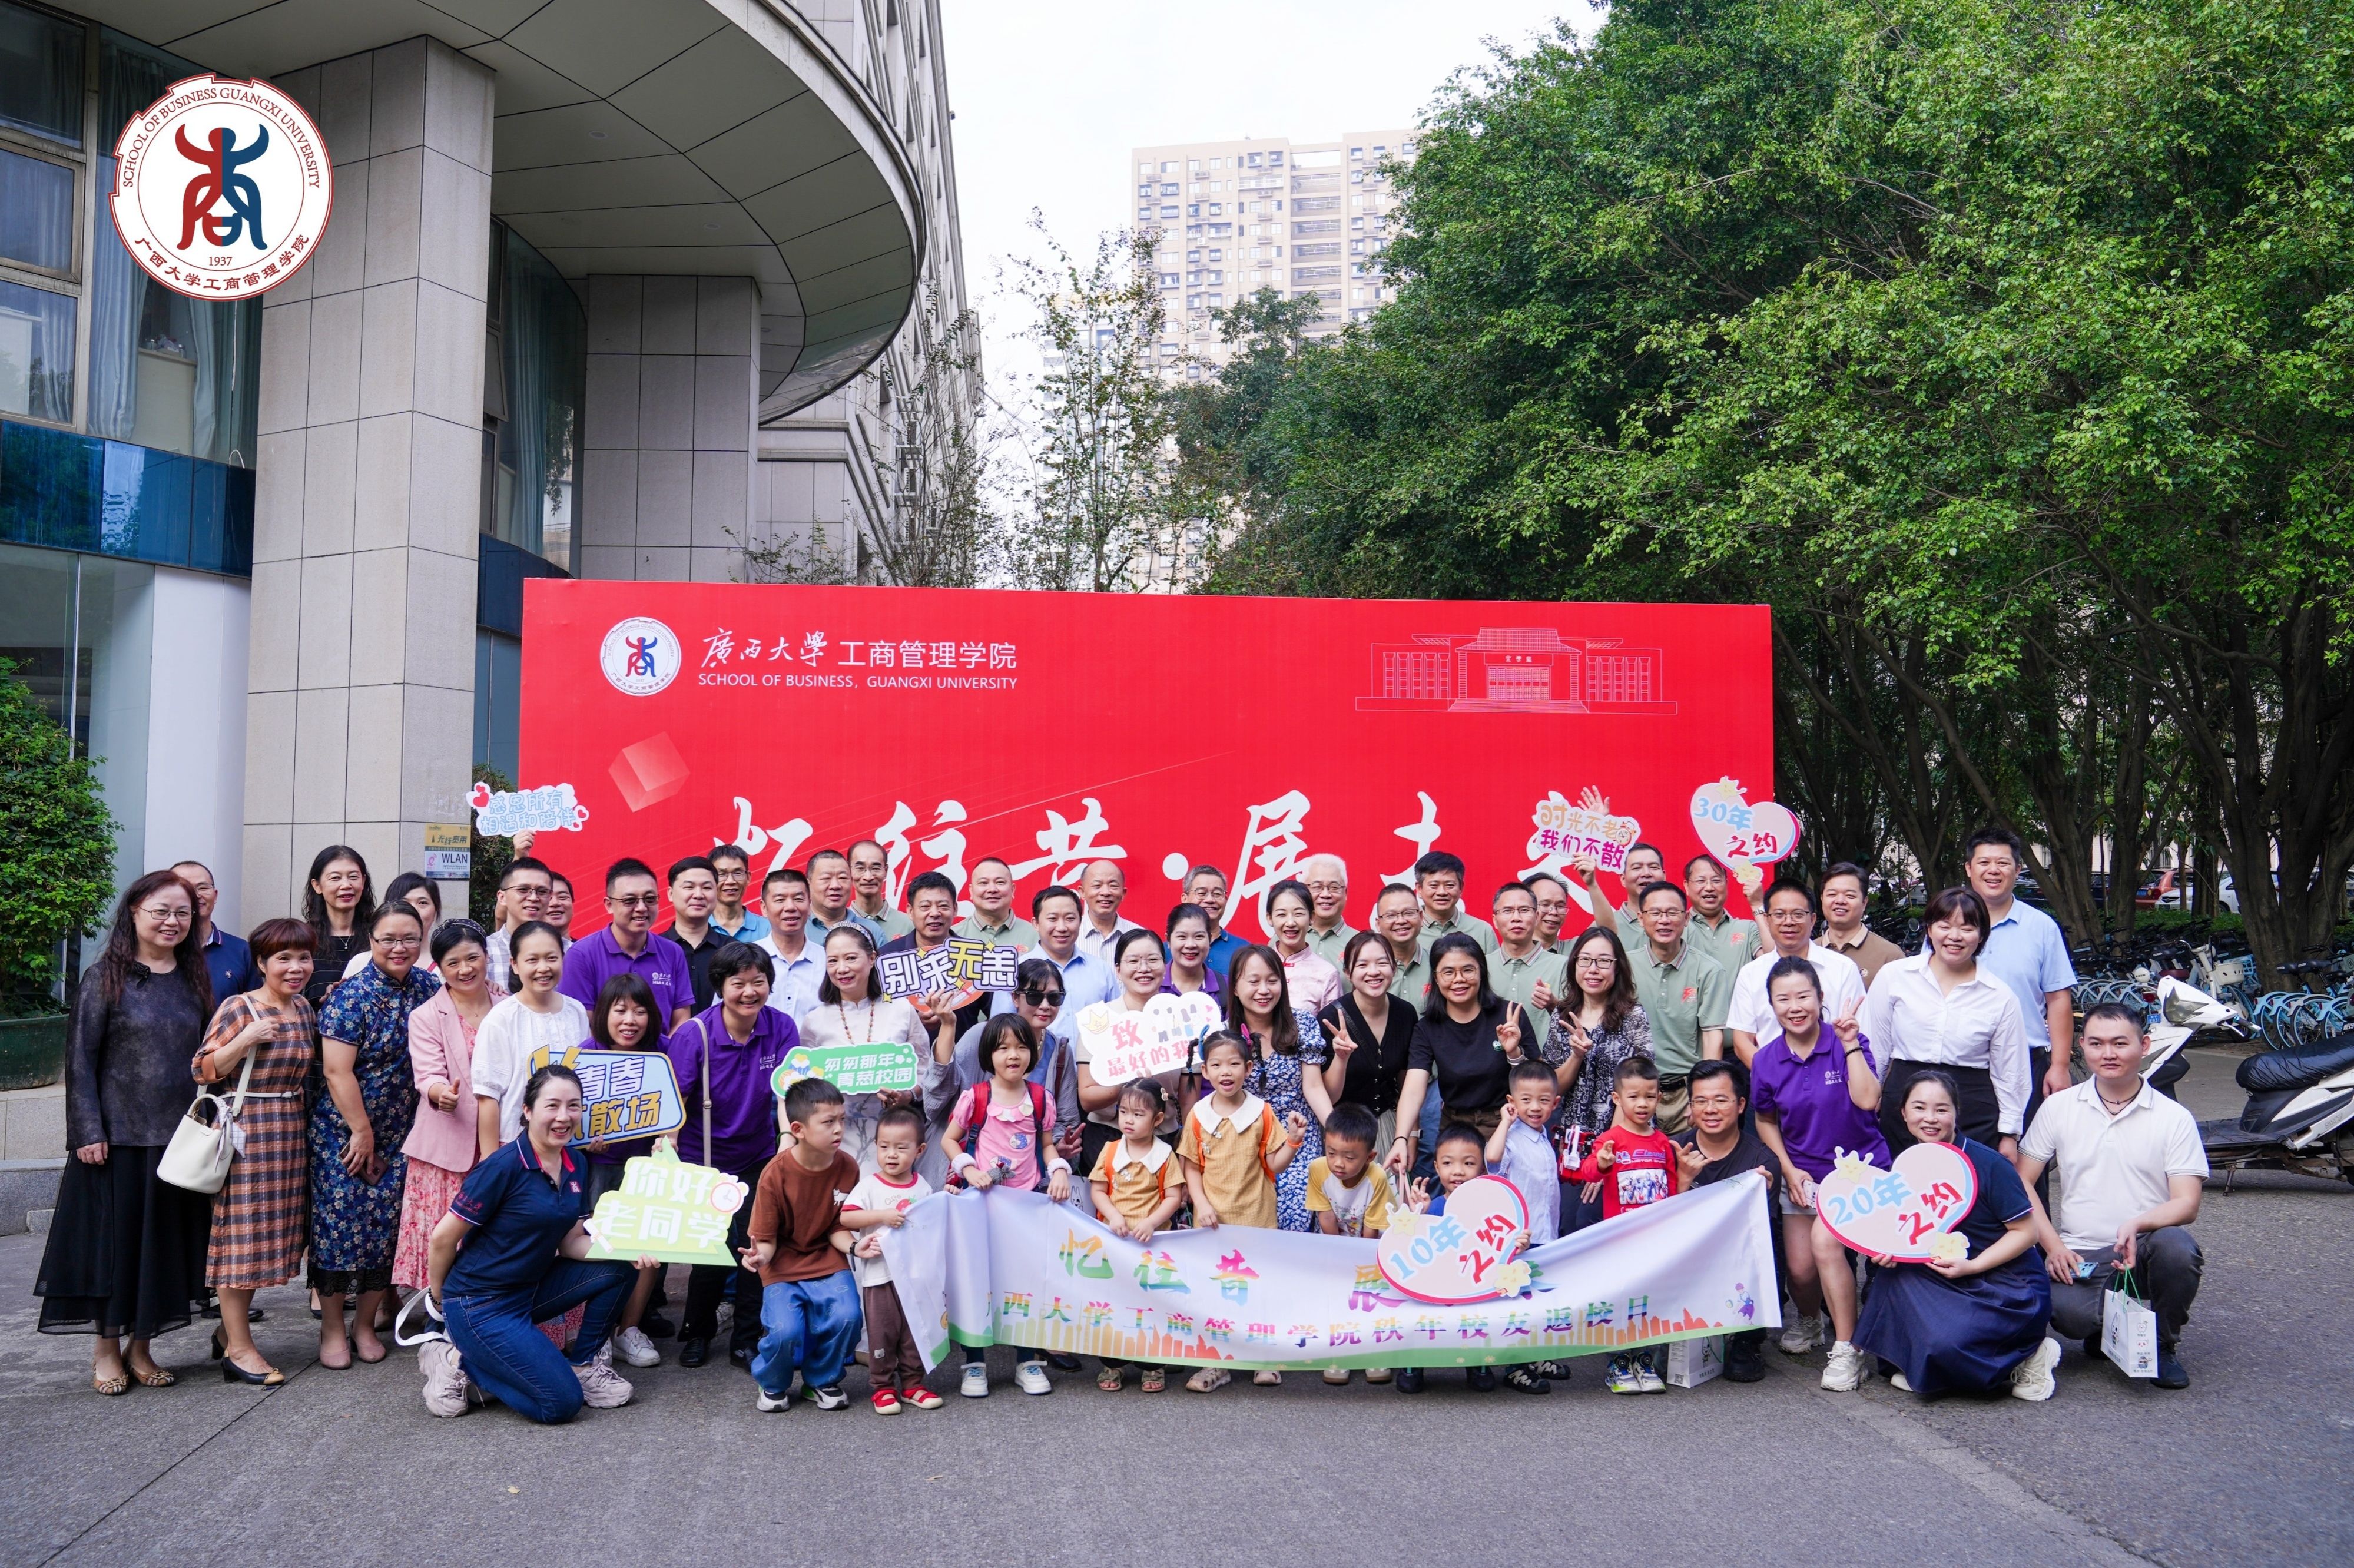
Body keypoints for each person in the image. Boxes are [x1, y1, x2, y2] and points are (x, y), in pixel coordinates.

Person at [37, 871, 214, 1393]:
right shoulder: (105, 976)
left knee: (160, 1249)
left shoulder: (193, 977)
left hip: (178, 1140)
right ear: (134, 912)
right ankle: (106, 1349)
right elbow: (80, 1060)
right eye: (161, 911)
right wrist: (87, 1130)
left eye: (182, 912)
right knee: (113, 1250)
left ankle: (142, 1347)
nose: (172, 921)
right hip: (116, 1141)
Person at [419, 1065, 638, 1422]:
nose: (564, 1116)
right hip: (479, 1304)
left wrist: (631, 1249)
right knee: (560, 1404)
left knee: (620, 1270)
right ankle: (453, 1358)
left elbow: (571, 1244)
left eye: (573, 1106)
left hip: (530, 1289)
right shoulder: (502, 1167)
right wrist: (441, 1301)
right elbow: (443, 1238)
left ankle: (583, 1366)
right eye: (552, 1106)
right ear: (528, 1110)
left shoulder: (576, 1162)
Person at [2015, 1002, 2208, 1389]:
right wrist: (2053, 1247)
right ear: (2082, 1046)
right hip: (2080, 1253)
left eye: (2120, 1043)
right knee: (2071, 1317)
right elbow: (2021, 1182)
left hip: (2144, 1249)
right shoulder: (2058, 1108)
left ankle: (2163, 1345)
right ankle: (2106, 1327)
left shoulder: (2173, 1117)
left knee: (2177, 1248)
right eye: (2097, 1043)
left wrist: (2137, 1224)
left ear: (2144, 1045)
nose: (2108, 1054)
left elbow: (2187, 1203)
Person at [1854, 1071, 2058, 1400]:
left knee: (1946, 1346)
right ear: (1903, 1113)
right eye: (1919, 1108)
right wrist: (1890, 1251)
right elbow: (1908, 1233)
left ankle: (2030, 1354)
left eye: (1941, 1109)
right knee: (1888, 1281)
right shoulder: (1907, 1166)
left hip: (2003, 1280)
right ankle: (1937, 1363)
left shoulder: (1989, 1164)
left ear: (1956, 1113)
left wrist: (1973, 1266)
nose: (1930, 1119)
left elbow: (2027, 1233)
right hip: (1941, 1272)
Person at [1748, 956, 1886, 1390]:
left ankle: (1849, 1349)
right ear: (1771, 1005)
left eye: (1803, 996)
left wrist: (1850, 1044)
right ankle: (1810, 1321)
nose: (1795, 1007)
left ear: (1820, 997)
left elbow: (1869, 1100)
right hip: (1804, 1176)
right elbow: (1765, 1120)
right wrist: (1789, 1170)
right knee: (1801, 1271)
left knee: (1826, 1245)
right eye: (1783, 999)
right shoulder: (1766, 1060)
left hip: (1861, 1171)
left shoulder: (1848, 1041)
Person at [312, 900, 440, 1368]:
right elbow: (336, 1070)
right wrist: (361, 1131)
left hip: (404, 1133)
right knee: (339, 1229)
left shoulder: (430, 987)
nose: (399, 947)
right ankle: (332, 1328)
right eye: (388, 939)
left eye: (409, 938)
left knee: (385, 1231)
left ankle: (364, 1325)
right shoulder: (351, 996)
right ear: (372, 941)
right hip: (344, 1132)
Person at [193, 916, 316, 1385]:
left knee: (269, 1237)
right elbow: (202, 1069)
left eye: (303, 957)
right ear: (262, 962)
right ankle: (239, 1350)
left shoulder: (303, 1008)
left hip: (289, 1131)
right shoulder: (239, 1006)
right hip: (246, 1131)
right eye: (283, 957)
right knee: (240, 1237)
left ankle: (229, 1332)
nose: (295, 966)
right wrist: (244, 1039)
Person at [668, 942, 803, 1369]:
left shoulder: (781, 1027)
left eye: (758, 982)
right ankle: (697, 1332)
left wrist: (787, 1136)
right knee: (710, 1249)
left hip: (759, 1152)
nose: (749, 992)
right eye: (738, 983)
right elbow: (676, 1099)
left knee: (755, 1245)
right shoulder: (695, 1033)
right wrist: (667, 1145)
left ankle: (746, 1338)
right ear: (720, 986)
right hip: (704, 1157)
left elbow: (788, 1090)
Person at [1180, 1030, 1309, 1392]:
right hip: (1212, 1222)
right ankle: (1215, 1364)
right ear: (1206, 1070)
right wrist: (1202, 1204)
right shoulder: (1198, 1115)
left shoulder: (1261, 1112)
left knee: (1258, 1289)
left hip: (1256, 1218)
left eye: (1234, 1064)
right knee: (1213, 1292)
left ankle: (1263, 1359)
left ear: (1249, 1068)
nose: (1226, 1071)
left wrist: (1294, 1141)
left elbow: (1274, 1163)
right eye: (1217, 1064)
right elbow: (1191, 1167)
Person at [1865, 886, 2031, 1154]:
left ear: (1982, 935)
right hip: (1905, 1101)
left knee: (1967, 1179)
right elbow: (1876, 1048)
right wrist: (1869, 1100)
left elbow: (2011, 1071)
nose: (1955, 936)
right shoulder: (1894, 977)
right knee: (1901, 1176)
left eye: (1967, 928)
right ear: (1930, 929)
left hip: (1972, 1106)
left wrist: (2009, 1134)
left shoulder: (2001, 996)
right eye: (1944, 926)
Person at [394, 920, 500, 1309]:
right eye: (453, 962)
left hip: (502, 1141)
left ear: (486, 956)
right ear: (439, 967)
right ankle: (442, 1310)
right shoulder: (427, 1015)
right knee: (446, 1238)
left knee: (497, 1234)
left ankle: (490, 1309)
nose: (465, 969)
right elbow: (428, 1074)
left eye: (473, 957)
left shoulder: (510, 1005)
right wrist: (442, 1095)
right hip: (447, 1148)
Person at [745, 1076, 867, 1413]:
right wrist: (759, 1257)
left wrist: (855, 1248)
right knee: (785, 1331)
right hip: (781, 1263)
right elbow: (766, 1240)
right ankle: (772, 1383)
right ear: (798, 1129)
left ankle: (822, 1380)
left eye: (842, 1119)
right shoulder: (775, 1173)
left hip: (827, 1257)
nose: (839, 1129)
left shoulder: (848, 1166)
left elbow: (838, 1226)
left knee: (848, 1317)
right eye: (828, 1122)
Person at [1569, 1057, 1682, 1393]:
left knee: (1651, 1301)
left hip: (1655, 1242)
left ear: (1659, 1097)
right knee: (1622, 1302)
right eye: (1634, 1097)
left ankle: (1645, 1361)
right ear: (1617, 1098)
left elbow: (1671, 1188)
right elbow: (1587, 1171)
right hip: (1620, 1242)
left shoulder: (1662, 1142)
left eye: (1650, 1096)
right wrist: (1603, 1165)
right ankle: (1618, 1364)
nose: (1642, 1104)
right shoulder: (1611, 1139)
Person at [798, 924, 951, 1170]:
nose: (842, 968)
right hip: (834, 1140)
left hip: (893, 1142)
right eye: (833, 961)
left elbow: (925, 1071)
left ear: (872, 959)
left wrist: (907, 1095)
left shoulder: (901, 1010)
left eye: (851, 958)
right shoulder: (814, 1020)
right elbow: (803, 1083)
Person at [581, 973, 674, 1366]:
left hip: (649, 1166)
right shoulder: (586, 1054)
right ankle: (597, 1331)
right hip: (599, 1166)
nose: (630, 1020)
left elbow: (680, 1102)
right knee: (598, 1243)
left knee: (647, 1243)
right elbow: (571, 1117)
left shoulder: (664, 1051)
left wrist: (669, 1138)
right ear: (604, 1013)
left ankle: (629, 1329)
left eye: (639, 1011)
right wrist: (585, 1139)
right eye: (620, 1010)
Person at [1674, 1059, 1781, 1383]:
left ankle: (1749, 1338)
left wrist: (1754, 1196)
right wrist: (1682, 1180)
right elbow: (1657, 1227)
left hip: (1734, 1258)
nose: (1710, 1110)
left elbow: (1758, 1236)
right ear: (1691, 1107)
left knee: (1773, 1248)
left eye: (1721, 1100)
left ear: (1741, 1105)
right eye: (1701, 1101)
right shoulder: (1675, 1149)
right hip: (1684, 1254)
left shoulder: (1762, 1160)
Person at [1543, 925, 1653, 1234]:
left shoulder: (1632, 1016)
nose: (1593, 969)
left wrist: (1606, 1156)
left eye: (1604, 961)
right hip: (1574, 1146)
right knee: (1568, 1226)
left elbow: (1638, 1090)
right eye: (1585, 960)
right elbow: (1553, 1087)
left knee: (1612, 1229)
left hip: (1622, 1142)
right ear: (1574, 964)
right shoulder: (1562, 1015)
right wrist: (1576, 1056)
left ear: (1618, 967)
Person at [1957, 826, 2080, 1103]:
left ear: (2018, 870)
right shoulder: (1946, 927)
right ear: (1969, 869)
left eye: (2003, 863)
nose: (1993, 870)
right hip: (1958, 1063)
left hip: (2025, 1063)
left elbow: (2058, 999)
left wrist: (2060, 1065)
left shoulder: (2042, 927)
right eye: (1984, 862)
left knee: (2027, 1133)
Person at [939, 957, 1082, 1191]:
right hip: (982, 1187)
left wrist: (1058, 1161)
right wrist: (967, 1169)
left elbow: (1054, 1134)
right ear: (1015, 997)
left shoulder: (1056, 1058)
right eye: (1034, 996)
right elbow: (944, 1090)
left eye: (1055, 997)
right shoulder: (983, 1039)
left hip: (1029, 1190)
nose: (1045, 1005)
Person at [1388, 934, 1526, 1177]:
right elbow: (1413, 1090)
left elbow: (1535, 1082)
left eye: (1468, 970)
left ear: (1482, 972)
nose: (1459, 979)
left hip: (1507, 1124)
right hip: (1455, 1130)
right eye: (1448, 972)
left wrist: (1514, 1053)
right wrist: (1401, 1138)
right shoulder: (1427, 1028)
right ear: (1436, 978)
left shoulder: (1509, 1016)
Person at [839, 1105, 940, 1413]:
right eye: (884, 1147)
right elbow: (846, 1218)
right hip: (879, 1276)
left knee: (913, 1332)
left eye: (901, 1148)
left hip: (915, 1277)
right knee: (883, 1332)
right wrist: (882, 1216)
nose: (891, 1155)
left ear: (920, 1150)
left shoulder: (923, 1187)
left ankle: (913, 1384)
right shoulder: (869, 1185)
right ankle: (882, 1387)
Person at [1090, 1079, 1188, 1393]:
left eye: (1138, 1114)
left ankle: (1152, 1365)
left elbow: (1174, 1196)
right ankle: (1112, 1364)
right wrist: (1114, 1216)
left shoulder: (1164, 1154)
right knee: (1115, 1303)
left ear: (1158, 1119)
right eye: (1123, 1112)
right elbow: (1098, 1190)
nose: (1128, 1120)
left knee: (1152, 1304)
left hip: (1152, 1246)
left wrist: (1152, 1222)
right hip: (1116, 1244)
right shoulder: (1111, 1150)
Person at [1228, 944, 1334, 1232]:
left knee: (1296, 1215)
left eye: (1272, 981)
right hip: (1246, 1142)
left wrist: (1337, 1131)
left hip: (1298, 1137)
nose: (1264, 990)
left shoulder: (1302, 1024)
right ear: (1235, 987)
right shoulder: (1225, 1035)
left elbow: (1314, 1087)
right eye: (1254, 981)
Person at [1075, 929, 1193, 1176]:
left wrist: (1187, 1153)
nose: (1144, 968)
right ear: (1118, 970)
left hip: (1165, 1138)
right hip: (1108, 1138)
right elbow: (1087, 1098)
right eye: (1133, 961)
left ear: (1165, 966)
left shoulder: (1181, 1019)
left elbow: (1187, 1098)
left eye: (1152, 960)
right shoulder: (1099, 1022)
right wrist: (1129, 1082)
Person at [1394, 1123, 1498, 1395]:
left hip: (1472, 1281)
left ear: (1483, 1169)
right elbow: (1409, 1246)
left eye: (1469, 1163)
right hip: (1434, 1283)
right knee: (1421, 1317)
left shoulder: (1490, 1210)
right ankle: (1414, 1364)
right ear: (1437, 1167)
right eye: (1448, 1163)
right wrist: (1419, 1215)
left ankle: (1478, 1365)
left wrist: (1518, 1243)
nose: (1458, 1171)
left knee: (1476, 1319)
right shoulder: (1433, 1206)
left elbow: (1500, 1244)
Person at [470, 921, 589, 1151]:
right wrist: (491, 1160)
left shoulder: (577, 1012)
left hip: (570, 1144)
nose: (543, 968)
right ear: (514, 964)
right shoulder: (501, 1018)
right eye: (532, 960)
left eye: (551, 958)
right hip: (515, 1145)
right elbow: (488, 1096)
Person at [1624, 880, 1730, 1136]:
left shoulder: (1709, 970)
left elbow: (1713, 1038)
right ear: (1641, 919)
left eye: (1672, 913)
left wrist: (1702, 1097)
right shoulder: (1624, 967)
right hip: (1635, 1093)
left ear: (1686, 918)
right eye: (1655, 913)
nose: (1664, 920)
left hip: (1685, 1094)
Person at [1727, 878, 1866, 1063]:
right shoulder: (1751, 974)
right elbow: (1742, 1041)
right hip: (1773, 1078)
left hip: (1834, 1076)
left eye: (1798, 914)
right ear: (1767, 920)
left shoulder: (1843, 968)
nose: (1789, 922)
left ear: (1813, 919)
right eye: (1779, 914)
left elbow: (1859, 1033)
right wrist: (1773, 1076)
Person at [1306, 1102, 1396, 1388]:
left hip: (1373, 1247)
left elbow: (1373, 1226)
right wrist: (1338, 1255)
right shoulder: (1318, 1170)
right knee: (1337, 1298)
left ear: (1370, 1157)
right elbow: (1326, 1216)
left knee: (1371, 1298)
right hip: (1337, 1244)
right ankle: (1340, 1352)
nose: (1338, 1164)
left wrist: (1359, 1261)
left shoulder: (1377, 1177)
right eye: (1331, 1152)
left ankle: (1374, 1352)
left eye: (1349, 1157)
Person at [557, 858, 694, 1030]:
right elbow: (580, 1025)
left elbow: (681, 1020)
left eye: (650, 899)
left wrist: (666, 1049)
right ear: (609, 905)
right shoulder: (582, 954)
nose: (642, 908)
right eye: (630, 900)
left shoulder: (673, 952)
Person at [1315, 930, 1419, 1156]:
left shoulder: (1405, 1013)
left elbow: (1408, 1083)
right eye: (1362, 965)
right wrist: (1341, 1059)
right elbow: (1327, 1097)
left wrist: (1412, 1134)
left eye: (1382, 963)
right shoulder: (1330, 1019)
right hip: (1343, 1131)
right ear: (1348, 973)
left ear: (1394, 968)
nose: (1374, 972)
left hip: (1389, 1126)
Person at [878, 871, 990, 1040]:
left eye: (943, 906)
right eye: (925, 907)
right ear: (910, 911)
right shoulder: (887, 958)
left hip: (962, 1054)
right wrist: (913, 1023)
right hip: (904, 1054)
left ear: (955, 909)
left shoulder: (976, 957)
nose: (935, 913)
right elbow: (873, 1018)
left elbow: (998, 1015)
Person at [1004, 884, 1116, 1043]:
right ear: (1036, 924)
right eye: (1053, 919)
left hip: (1091, 1059)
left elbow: (1117, 1025)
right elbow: (1001, 1027)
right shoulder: (1014, 970)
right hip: (1035, 1059)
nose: (1062, 928)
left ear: (1080, 921)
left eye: (1070, 919)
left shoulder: (1101, 970)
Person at [1487, 1058, 1561, 1244]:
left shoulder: (1544, 1138)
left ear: (1555, 1103)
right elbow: (1492, 1157)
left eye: (1544, 1100)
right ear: (1512, 1102)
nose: (1535, 1107)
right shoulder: (1510, 1136)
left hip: (1547, 1234)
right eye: (1526, 1100)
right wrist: (1505, 1122)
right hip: (1519, 1237)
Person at [1487, 880, 1567, 1052]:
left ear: (1537, 916)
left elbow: (1580, 1022)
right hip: (1489, 1065)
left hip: (1545, 1065)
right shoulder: (1482, 967)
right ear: (1495, 920)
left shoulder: (1563, 965)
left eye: (1524, 910)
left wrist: (1554, 1005)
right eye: (1508, 911)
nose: (1516, 918)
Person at [171, 859, 260, 1003]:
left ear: (215, 895)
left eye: (203, 888)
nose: (196, 895)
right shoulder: (160, 949)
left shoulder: (241, 951)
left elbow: (256, 1007)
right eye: (185, 888)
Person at [300, 845, 376, 1009]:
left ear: (363, 881)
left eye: (353, 877)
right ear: (317, 886)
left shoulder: (379, 937)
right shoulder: (303, 940)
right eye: (335, 878)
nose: (346, 885)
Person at [752, 867, 824, 1023]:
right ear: (764, 908)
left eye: (798, 899)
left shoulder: (828, 962)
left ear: (810, 905)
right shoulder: (746, 960)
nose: (791, 907)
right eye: (780, 900)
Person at [1265, 879, 1343, 1018]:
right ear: (1270, 918)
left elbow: (1332, 1027)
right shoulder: (1258, 966)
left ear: (1312, 917)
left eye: (1299, 914)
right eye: (1282, 915)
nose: (1290, 923)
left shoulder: (1327, 974)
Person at [659, 855, 728, 1012]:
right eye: (689, 887)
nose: (698, 895)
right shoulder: (653, 949)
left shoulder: (732, 950)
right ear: (670, 894)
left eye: (707, 888)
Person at [1819, 862, 1904, 988]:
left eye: (1850, 896)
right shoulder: (1808, 951)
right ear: (1822, 899)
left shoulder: (1890, 956)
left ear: (1864, 903)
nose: (1840, 901)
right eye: (1832, 895)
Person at [1571, 839, 1666, 947]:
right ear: (1623, 879)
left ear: (1664, 876)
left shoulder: (1677, 923)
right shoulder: (1604, 924)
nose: (1646, 873)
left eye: (1653, 867)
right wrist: (1592, 883)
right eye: (1637, 868)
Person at [1682, 854, 1765, 978]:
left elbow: (1772, 961)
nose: (1709, 887)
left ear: (1726, 884)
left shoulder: (1748, 929)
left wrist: (1757, 905)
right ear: (1687, 886)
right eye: (1701, 881)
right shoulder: (1677, 928)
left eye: (1716, 881)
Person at [483, 856, 552, 993]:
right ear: (502, 897)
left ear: (550, 898)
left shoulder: (570, 952)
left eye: (542, 891)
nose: (533, 898)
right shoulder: (483, 952)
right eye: (523, 890)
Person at [1413, 851, 1495, 951]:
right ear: (1419, 889)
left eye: (1450, 885)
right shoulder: (1408, 930)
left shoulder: (1482, 931)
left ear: (1461, 888)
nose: (1442, 892)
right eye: (1434, 885)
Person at [955, 856, 1036, 949]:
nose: (992, 889)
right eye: (983, 883)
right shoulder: (953, 936)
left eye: (1000, 882)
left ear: (1012, 890)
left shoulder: (1036, 936)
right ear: (971, 891)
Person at [1074, 860, 1143, 969]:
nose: (1106, 892)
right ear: (1082, 892)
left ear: (1123, 893)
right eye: (1097, 885)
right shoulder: (1069, 935)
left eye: (1113, 885)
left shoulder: (1140, 937)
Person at [1183, 864, 1248, 982]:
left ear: (1226, 900)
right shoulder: (1169, 949)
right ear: (1185, 899)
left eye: (1217, 894)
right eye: (1202, 893)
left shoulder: (1244, 949)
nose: (1210, 900)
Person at [844, 838, 913, 944]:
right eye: (860, 868)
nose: (868, 877)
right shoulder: (841, 925)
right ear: (849, 871)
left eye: (876, 868)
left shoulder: (909, 924)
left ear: (886, 871)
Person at [1373, 882, 1430, 1008]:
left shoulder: (1437, 965)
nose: (1401, 921)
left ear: (1421, 917)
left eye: (1409, 913)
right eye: (1391, 916)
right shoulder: (1370, 972)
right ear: (1378, 924)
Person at [1161, 903, 1224, 1000]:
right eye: (1182, 937)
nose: (1190, 945)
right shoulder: (1153, 984)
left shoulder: (1227, 987)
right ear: (1168, 940)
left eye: (1199, 937)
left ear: (1210, 939)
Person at [1301, 853, 1356, 965]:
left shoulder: (1360, 943)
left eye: (1334, 887)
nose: (1325, 894)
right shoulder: (1286, 939)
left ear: (1345, 893)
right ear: (1304, 891)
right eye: (1317, 887)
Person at [707, 843, 769, 942]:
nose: (730, 881)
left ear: (748, 877)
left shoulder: (768, 930)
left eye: (738, 873)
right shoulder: (699, 929)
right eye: (722, 874)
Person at [806, 848, 856, 937]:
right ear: (808, 884)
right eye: (826, 878)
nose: (835, 886)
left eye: (843, 878)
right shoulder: (791, 928)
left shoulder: (871, 930)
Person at [1526, 871, 1574, 954]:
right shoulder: (1511, 953)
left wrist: (1592, 884)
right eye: (1545, 905)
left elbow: (1600, 927)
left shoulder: (1577, 951)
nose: (1554, 912)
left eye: (1560, 906)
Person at [543, 873, 575, 943]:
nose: (555, 903)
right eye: (547, 898)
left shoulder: (586, 949)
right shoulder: (521, 949)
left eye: (563, 897)